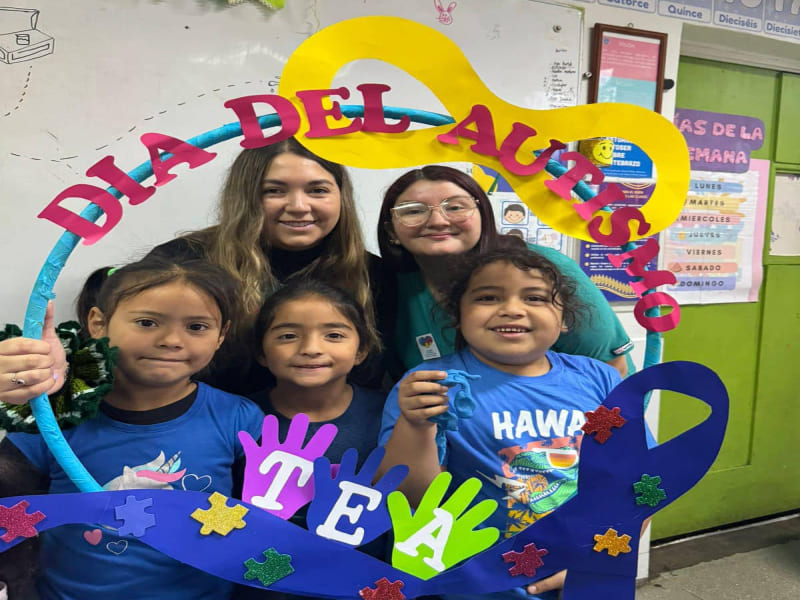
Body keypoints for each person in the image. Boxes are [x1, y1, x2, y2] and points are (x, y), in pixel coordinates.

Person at [0, 256, 265, 600]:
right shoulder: (50, 417)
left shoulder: (239, 419)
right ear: (98, 323)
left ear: (221, 336)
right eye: (147, 322)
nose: (172, 340)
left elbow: (267, 526)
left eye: (197, 327)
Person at [378, 239, 623, 600]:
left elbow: (636, 484)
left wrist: (602, 558)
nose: (512, 309)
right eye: (488, 298)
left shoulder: (599, 379)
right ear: (457, 315)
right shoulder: (428, 386)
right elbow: (407, 501)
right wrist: (416, 425)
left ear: (565, 318)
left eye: (536, 298)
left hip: (586, 574)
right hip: (473, 587)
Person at [147, 138, 389, 394]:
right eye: (274, 191)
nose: (298, 206)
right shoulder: (182, 261)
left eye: (317, 190)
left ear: (341, 196)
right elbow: (120, 350)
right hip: (205, 427)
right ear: (245, 196)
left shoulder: (373, 273)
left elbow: (374, 378)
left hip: (330, 429)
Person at [376, 165, 633, 379]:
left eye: (455, 207)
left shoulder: (543, 268)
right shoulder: (388, 286)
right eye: (412, 211)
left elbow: (613, 370)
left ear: (483, 214)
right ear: (391, 231)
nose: (438, 221)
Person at [234, 279, 386, 600]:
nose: (311, 348)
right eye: (288, 336)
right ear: (261, 351)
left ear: (361, 350)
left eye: (334, 335)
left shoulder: (390, 414)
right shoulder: (237, 416)